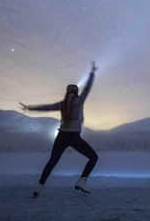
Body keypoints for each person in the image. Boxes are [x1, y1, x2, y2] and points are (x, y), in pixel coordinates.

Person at [19, 61, 99, 197]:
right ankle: (81, 181)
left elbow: (46, 107)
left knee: (52, 161)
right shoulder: (79, 101)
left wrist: (30, 108)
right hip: (74, 137)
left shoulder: (62, 104)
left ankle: (39, 187)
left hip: (61, 136)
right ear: (76, 92)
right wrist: (92, 73)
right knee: (93, 157)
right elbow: (87, 89)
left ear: (67, 92)